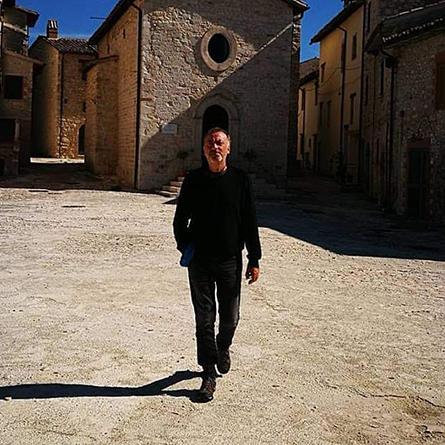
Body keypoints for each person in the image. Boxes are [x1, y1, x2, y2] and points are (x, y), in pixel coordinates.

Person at [173, 127, 262, 402]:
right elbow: (180, 220)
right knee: (204, 319)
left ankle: (223, 346)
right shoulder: (193, 180)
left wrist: (254, 258)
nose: (215, 147)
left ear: (229, 148)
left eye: (220, 143)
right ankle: (208, 372)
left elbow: (249, 220)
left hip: (230, 261)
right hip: (199, 261)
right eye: (210, 143)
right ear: (203, 149)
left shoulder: (240, 180)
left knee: (230, 317)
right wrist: (186, 247)